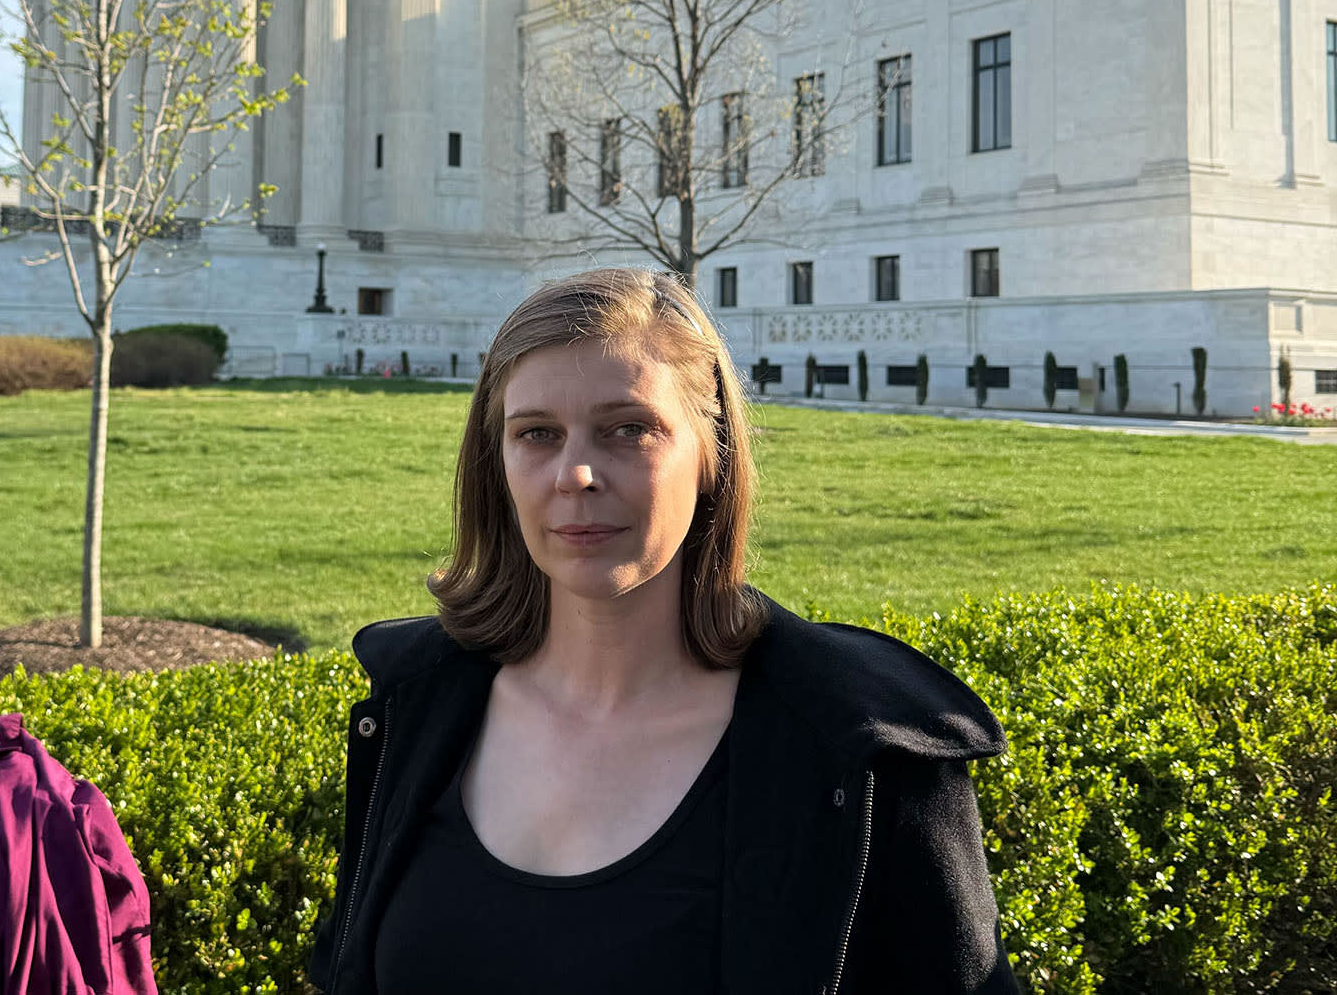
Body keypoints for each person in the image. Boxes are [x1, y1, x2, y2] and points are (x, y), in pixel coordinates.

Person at [308, 267, 1020, 994]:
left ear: (712, 456)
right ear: (497, 464)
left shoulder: (858, 750)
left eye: (628, 429)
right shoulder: (415, 706)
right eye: (537, 434)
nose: (575, 473)